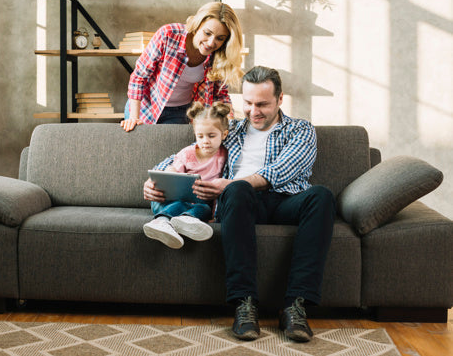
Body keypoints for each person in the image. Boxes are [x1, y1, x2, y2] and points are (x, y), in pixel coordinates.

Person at [143, 66, 335, 343]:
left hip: (287, 201)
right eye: (248, 103)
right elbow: (188, 155)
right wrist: (155, 179)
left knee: (322, 196)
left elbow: (282, 171)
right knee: (237, 191)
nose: (254, 111)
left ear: (280, 100)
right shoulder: (229, 130)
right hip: (241, 204)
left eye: (262, 104)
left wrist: (234, 183)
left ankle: (296, 306)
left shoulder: (301, 130)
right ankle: (244, 304)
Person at [120, 1, 243, 132]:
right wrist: (134, 117)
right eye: (207, 33)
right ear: (197, 25)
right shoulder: (168, 35)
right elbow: (139, 76)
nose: (211, 43)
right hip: (145, 106)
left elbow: (220, 95)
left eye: (220, 38)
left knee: (168, 150)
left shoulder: (219, 56)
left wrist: (229, 124)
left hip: (179, 112)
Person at [143, 102, 230, 249]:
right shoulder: (187, 153)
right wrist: (167, 176)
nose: (205, 141)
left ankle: (184, 221)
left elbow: (217, 194)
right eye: (200, 136)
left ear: (224, 134)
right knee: (181, 204)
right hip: (169, 202)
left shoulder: (224, 156)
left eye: (211, 136)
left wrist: (215, 216)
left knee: (205, 209)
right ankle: (161, 221)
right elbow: (171, 172)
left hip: (199, 206)